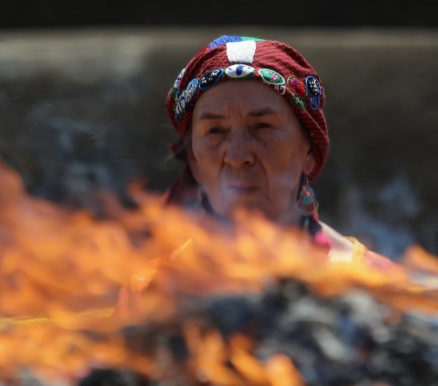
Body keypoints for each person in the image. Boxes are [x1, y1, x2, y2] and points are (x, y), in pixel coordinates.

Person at [161, 34, 383, 263]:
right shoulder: (153, 290)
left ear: (309, 152)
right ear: (194, 161)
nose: (238, 156)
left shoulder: (380, 285)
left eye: (262, 126)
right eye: (215, 130)